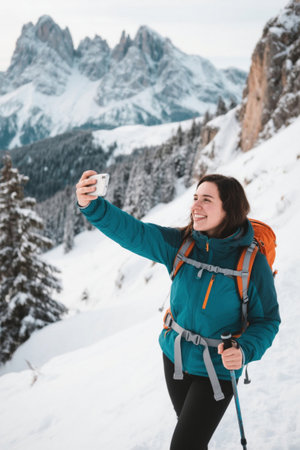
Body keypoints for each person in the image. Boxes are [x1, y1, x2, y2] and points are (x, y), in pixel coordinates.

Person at [76, 171, 280, 450]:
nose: (195, 205)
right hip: (175, 358)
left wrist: (244, 349)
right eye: (195, 197)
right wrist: (92, 205)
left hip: (218, 371)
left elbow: (267, 320)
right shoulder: (183, 245)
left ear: (228, 208)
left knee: (184, 445)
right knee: (190, 437)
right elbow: (134, 232)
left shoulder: (251, 263)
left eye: (206, 200)